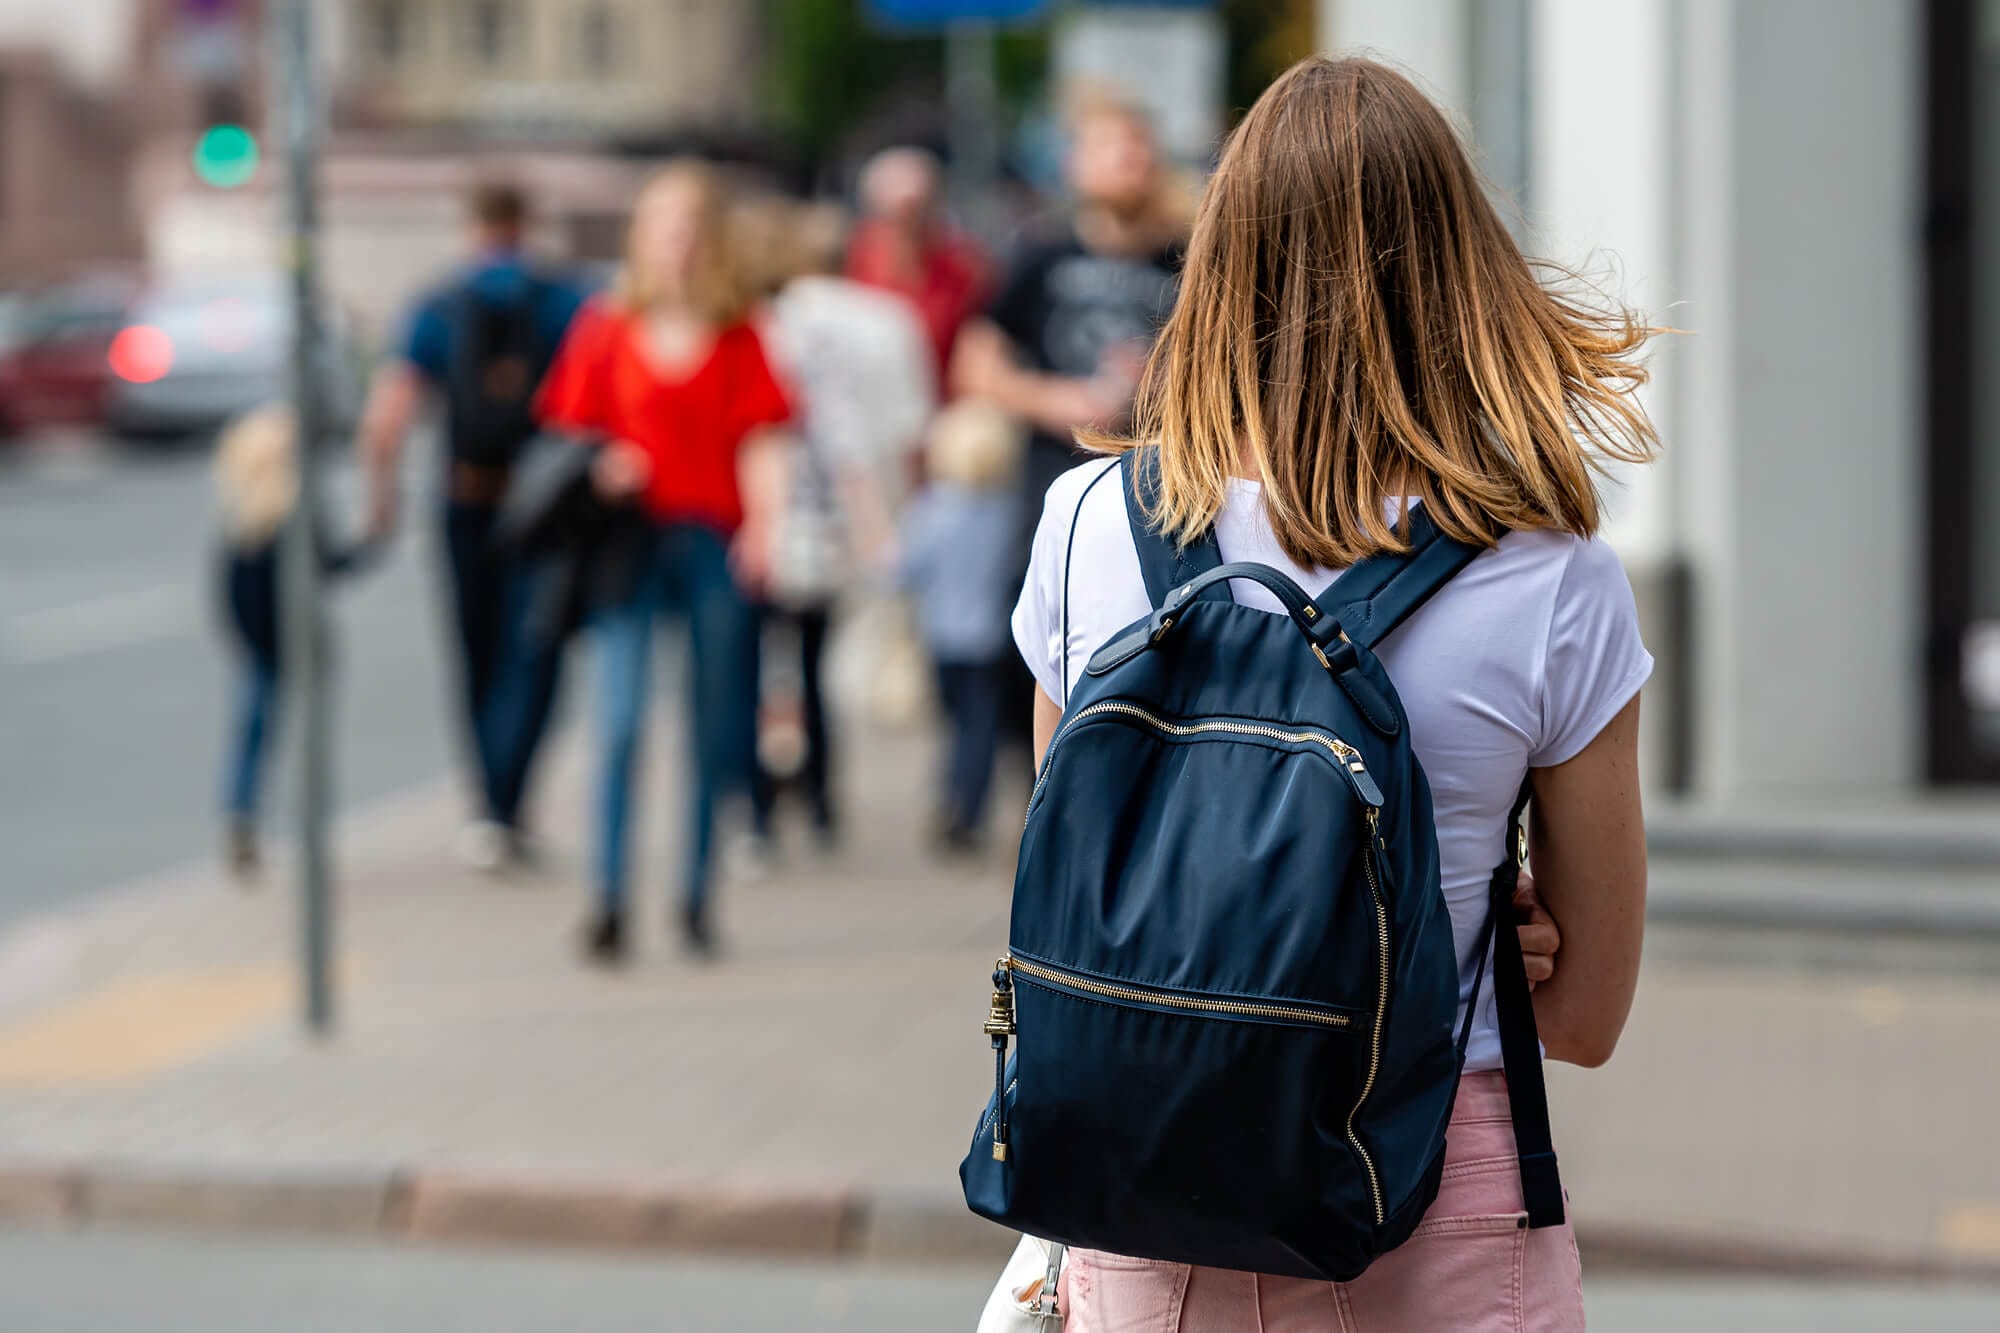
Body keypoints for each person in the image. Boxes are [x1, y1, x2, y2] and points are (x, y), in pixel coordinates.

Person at [1010, 57, 1653, 1329]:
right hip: (1431, 1191)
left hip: (1143, 1187)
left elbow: (1082, 891)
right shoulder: (1550, 579)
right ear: (1462, 267)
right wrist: (1452, 928)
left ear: (1221, 256)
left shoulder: (1084, 522)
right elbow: (1584, 1014)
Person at [535, 161, 794, 964]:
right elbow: (566, 430)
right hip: (627, 544)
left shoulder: (739, 328)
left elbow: (764, 436)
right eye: (661, 225)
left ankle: (694, 895)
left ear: (709, 239)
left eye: (689, 226)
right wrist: (604, 460)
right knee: (617, 722)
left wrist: (766, 530)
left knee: (710, 724)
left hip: (709, 540)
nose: (675, 242)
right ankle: (608, 897)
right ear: (640, 237)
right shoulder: (605, 326)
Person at [358, 180, 588, 871]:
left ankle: (487, 807)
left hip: (465, 496)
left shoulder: (438, 304)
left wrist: (382, 497)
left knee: (476, 653)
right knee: (537, 649)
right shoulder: (564, 300)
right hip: (545, 503)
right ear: (526, 222)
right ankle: (511, 799)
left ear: (471, 226)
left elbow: (389, 411)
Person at [741, 198, 935, 851]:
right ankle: (821, 799)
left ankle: (762, 805)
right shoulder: (879, 319)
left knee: (763, 664)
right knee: (818, 661)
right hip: (834, 523)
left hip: (766, 515)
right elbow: (882, 438)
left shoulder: (760, 325)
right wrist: (882, 529)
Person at [951, 94, 1189, 555]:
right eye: (1110, 147)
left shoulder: (1189, 260)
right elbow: (973, 366)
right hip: (1055, 490)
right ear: (1074, 164)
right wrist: (1057, 402)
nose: (1130, 158)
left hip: (1160, 496)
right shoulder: (1042, 252)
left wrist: (1158, 383)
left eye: (1140, 145)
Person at [213, 405, 371, 876]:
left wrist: (248, 642)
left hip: (264, 648)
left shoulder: (246, 522)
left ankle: (242, 814)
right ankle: (307, 827)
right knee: (309, 739)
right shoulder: (295, 520)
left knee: (254, 734)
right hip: (295, 647)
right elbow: (335, 566)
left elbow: (230, 599)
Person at [898, 399, 1022, 853]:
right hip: (989, 638)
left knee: (956, 726)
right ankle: (967, 807)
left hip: (942, 638)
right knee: (981, 727)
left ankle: (956, 802)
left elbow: (905, 569)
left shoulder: (932, 511)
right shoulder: (1007, 512)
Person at [845, 147, 989, 390]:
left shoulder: (965, 269)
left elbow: (979, 351)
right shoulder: (847, 263)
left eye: (921, 210)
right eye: (896, 213)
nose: (910, 225)